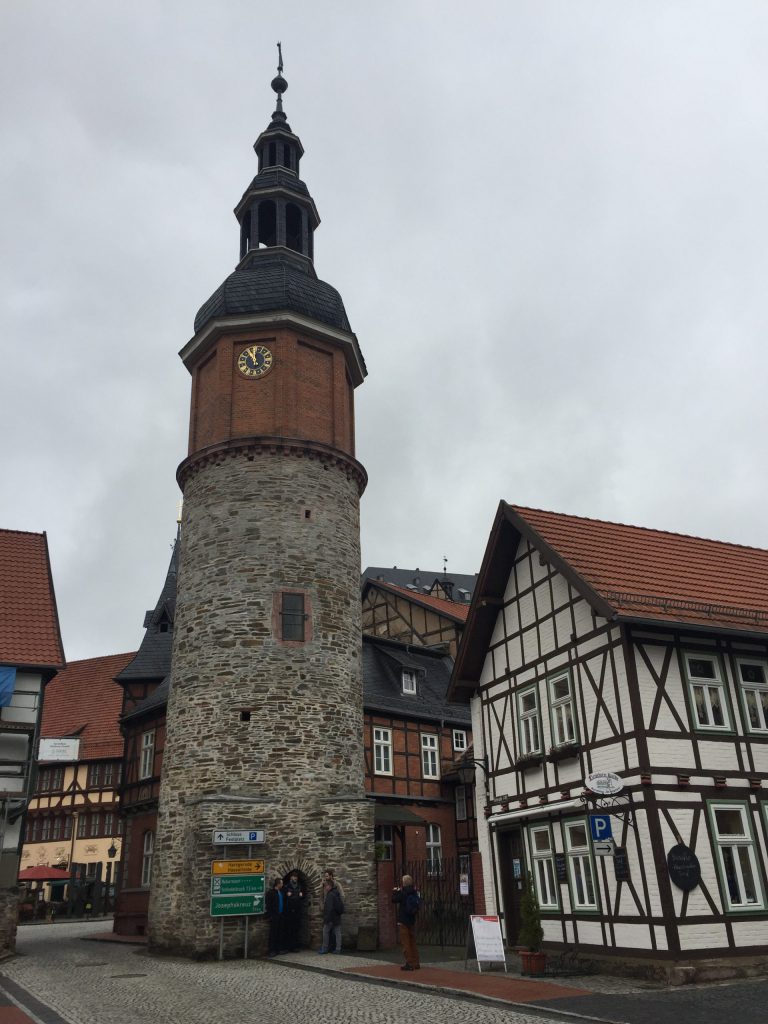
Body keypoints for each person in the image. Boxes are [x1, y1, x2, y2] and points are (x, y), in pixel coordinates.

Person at [392, 873, 420, 970]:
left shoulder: (403, 892)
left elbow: (394, 900)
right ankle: (416, 962)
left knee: (405, 942)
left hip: (403, 920)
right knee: (412, 941)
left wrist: (395, 891)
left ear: (404, 883)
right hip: (411, 919)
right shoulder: (414, 891)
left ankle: (409, 963)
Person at [318, 876, 344, 954]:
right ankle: (338, 949)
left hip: (331, 917)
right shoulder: (336, 893)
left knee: (325, 931)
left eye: (326, 886)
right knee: (338, 933)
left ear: (329, 886)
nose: (325, 888)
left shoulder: (330, 895)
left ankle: (325, 948)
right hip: (337, 916)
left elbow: (329, 908)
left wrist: (327, 919)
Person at [283, 871, 306, 952]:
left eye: (296, 877)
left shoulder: (300, 886)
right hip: (289, 911)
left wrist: (301, 896)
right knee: (289, 929)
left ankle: (295, 946)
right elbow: (284, 898)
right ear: (291, 878)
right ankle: (288, 946)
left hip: (297, 910)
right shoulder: (286, 886)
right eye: (293, 877)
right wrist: (288, 895)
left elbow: (303, 897)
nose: (295, 878)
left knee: (296, 928)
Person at [264, 877, 285, 956]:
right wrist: (270, 915)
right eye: (281, 883)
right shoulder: (271, 893)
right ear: (278, 884)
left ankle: (278, 949)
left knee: (280, 933)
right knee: (273, 933)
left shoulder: (280, 892)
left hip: (280, 915)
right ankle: (271, 950)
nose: (282, 885)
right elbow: (268, 905)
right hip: (274, 916)